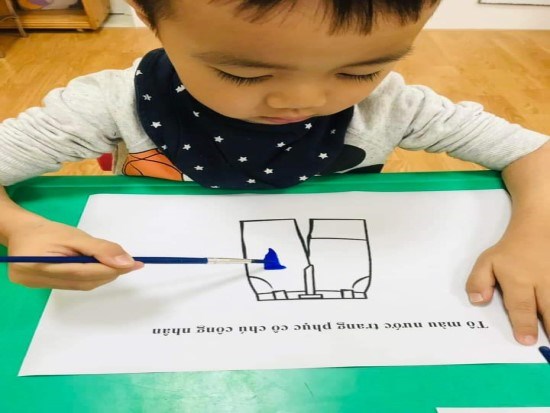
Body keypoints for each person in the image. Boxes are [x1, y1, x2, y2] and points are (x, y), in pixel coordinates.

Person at [0, 0, 549, 346]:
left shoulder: (393, 107)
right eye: (243, 73)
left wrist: (534, 237)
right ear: (147, 14)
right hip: (162, 314)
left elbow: (534, 153)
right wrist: (18, 227)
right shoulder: (106, 105)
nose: (301, 100)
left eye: (361, 70)